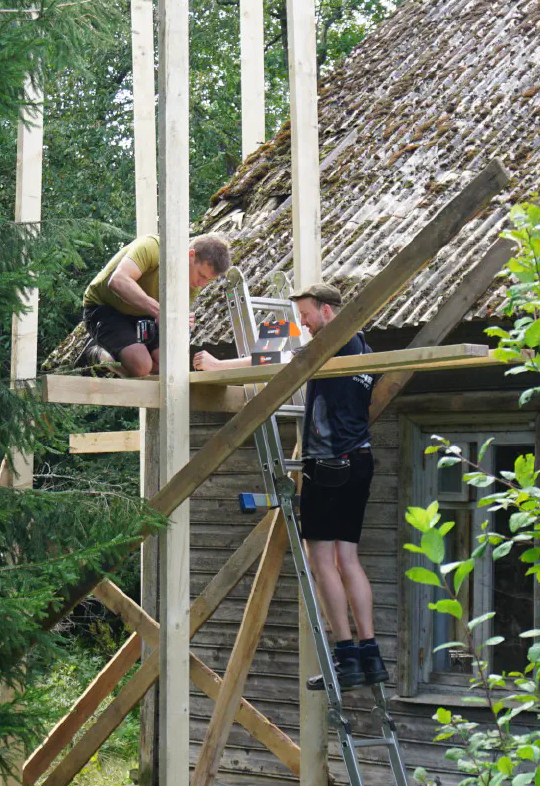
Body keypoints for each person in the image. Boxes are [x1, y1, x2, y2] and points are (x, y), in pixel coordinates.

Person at [195, 282, 386, 689]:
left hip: (329, 463)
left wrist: (216, 366)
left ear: (329, 311)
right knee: (347, 558)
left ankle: (346, 657)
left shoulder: (332, 342)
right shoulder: (365, 350)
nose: (302, 322)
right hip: (360, 460)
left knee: (320, 560)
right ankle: (371, 655)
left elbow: (277, 357)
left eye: (306, 314)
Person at [81, 233, 232, 378]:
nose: (201, 284)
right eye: (201, 275)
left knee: (169, 366)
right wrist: (162, 311)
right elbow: (118, 281)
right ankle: (96, 356)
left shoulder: (192, 284)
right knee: (141, 366)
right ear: (190, 255)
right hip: (104, 306)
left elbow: (172, 329)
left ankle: (113, 361)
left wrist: (183, 327)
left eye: (208, 280)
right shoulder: (153, 246)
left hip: (143, 313)